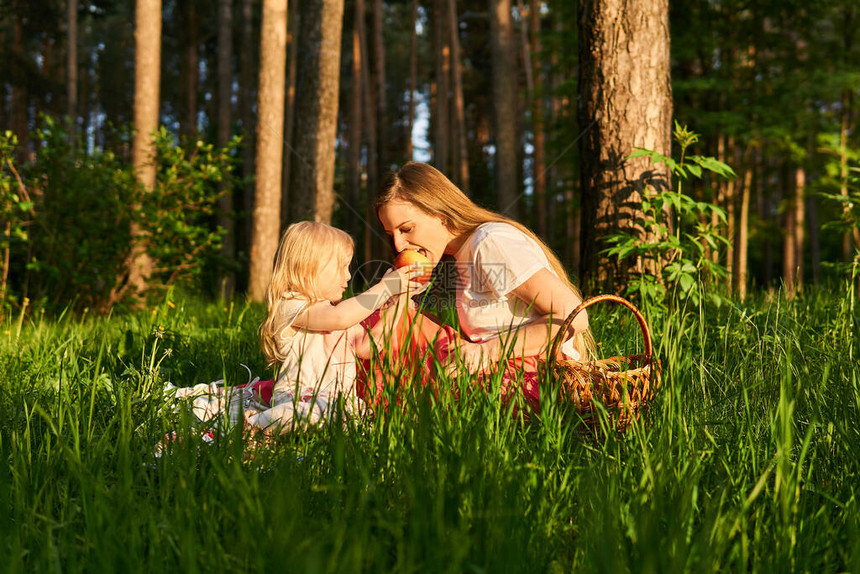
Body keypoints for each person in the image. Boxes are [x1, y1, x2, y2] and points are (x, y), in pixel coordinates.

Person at [373, 161, 595, 411]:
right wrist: (399, 299)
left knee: (379, 321)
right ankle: (367, 405)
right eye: (392, 234)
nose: (400, 245)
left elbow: (574, 316)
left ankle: (367, 408)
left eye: (407, 229)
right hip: (507, 366)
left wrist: (486, 351)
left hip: (538, 373)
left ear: (441, 214)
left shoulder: (489, 242)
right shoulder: (462, 255)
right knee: (386, 313)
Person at [247, 221, 425, 432]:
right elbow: (339, 318)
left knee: (360, 421)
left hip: (339, 403)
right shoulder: (292, 306)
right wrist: (384, 288)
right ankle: (253, 425)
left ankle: (271, 427)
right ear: (308, 268)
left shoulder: (339, 312)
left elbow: (367, 348)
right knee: (307, 412)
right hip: (298, 398)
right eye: (341, 267)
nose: (348, 275)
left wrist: (399, 302)